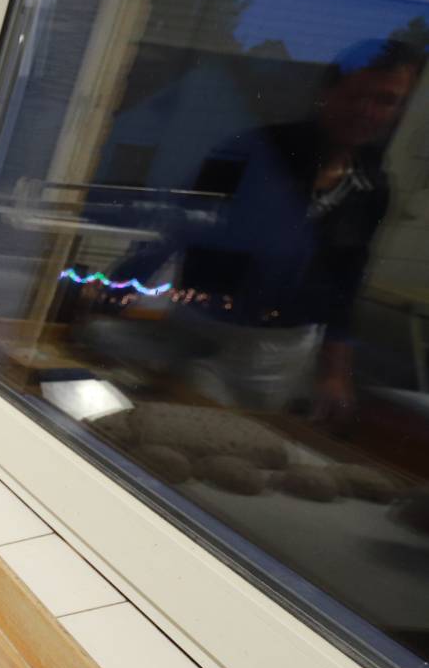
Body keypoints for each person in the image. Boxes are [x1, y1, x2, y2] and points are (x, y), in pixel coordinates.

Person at [91, 37, 424, 417]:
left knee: (223, 438)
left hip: (275, 352)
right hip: (196, 325)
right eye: (356, 95)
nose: (367, 111)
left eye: (386, 100)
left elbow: (345, 283)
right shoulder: (253, 151)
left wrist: (334, 372)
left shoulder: (371, 187)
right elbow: (175, 226)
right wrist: (115, 292)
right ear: (329, 92)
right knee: (156, 415)